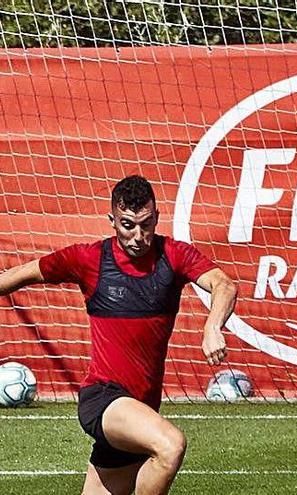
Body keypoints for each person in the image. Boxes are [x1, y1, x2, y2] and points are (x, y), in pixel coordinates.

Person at [0, 175, 237, 495]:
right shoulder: (90, 258)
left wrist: (212, 326)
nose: (138, 236)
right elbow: (20, 275)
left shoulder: (174, 255)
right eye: (127, 225)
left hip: (140, 412)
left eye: (146, 224)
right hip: (103, 398)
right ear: (112, 221)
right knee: (170, 445)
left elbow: (224, 285)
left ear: (156, 217)